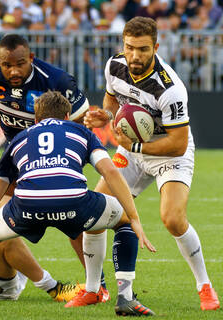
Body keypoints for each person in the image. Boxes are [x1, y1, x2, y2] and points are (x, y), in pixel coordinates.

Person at [0, 91, 156, 316]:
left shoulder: (19, 139)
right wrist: (134, 218)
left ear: (35, 119)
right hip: (74, 202)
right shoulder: (81, 131)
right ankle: (125, 297)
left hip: (27, 206)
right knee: (121, 221)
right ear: (67, 117)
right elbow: (110, 172)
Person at [84, 16, 220, 311]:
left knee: (172, 219)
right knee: (94, 214)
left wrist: (132, 144)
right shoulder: (114, 66)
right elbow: (111, 101)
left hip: (169, 154)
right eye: (130, 47)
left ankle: (205, 285)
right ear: (123, 44)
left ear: (156, 47)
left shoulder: (170, 89)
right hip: (132, 153)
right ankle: (94, 289)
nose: (135, 55)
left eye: (143, 49)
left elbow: (178, 143)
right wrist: (105, 116)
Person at [0, 34, 105, 297]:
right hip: (17, 154)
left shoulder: (57, 81)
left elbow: (83, 121)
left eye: (20, 64)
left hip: (54, 157)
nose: (13, 71)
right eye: (7, 65)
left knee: (72, 219)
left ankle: (98, 284)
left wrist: (95, 120)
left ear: (31, 58)